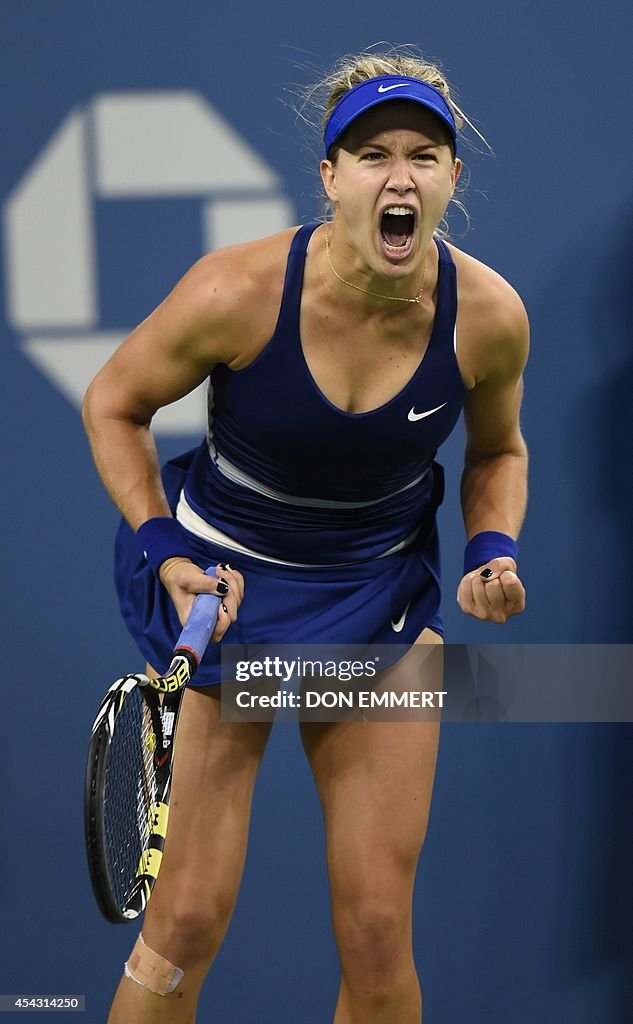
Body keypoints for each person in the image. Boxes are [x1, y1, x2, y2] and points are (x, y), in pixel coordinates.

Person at [83, 46, 528, 1024]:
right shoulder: (236, 290)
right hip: (223, 595)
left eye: (424, 153)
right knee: (185, 921)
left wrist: (494, 548)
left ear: (454, 176)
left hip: (377, 605)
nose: (399, 174)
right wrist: (164, 549)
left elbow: (499, 452)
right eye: (371, 154)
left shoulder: (488, 317)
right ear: (331, 178)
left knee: (376, 932)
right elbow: (113, 402)